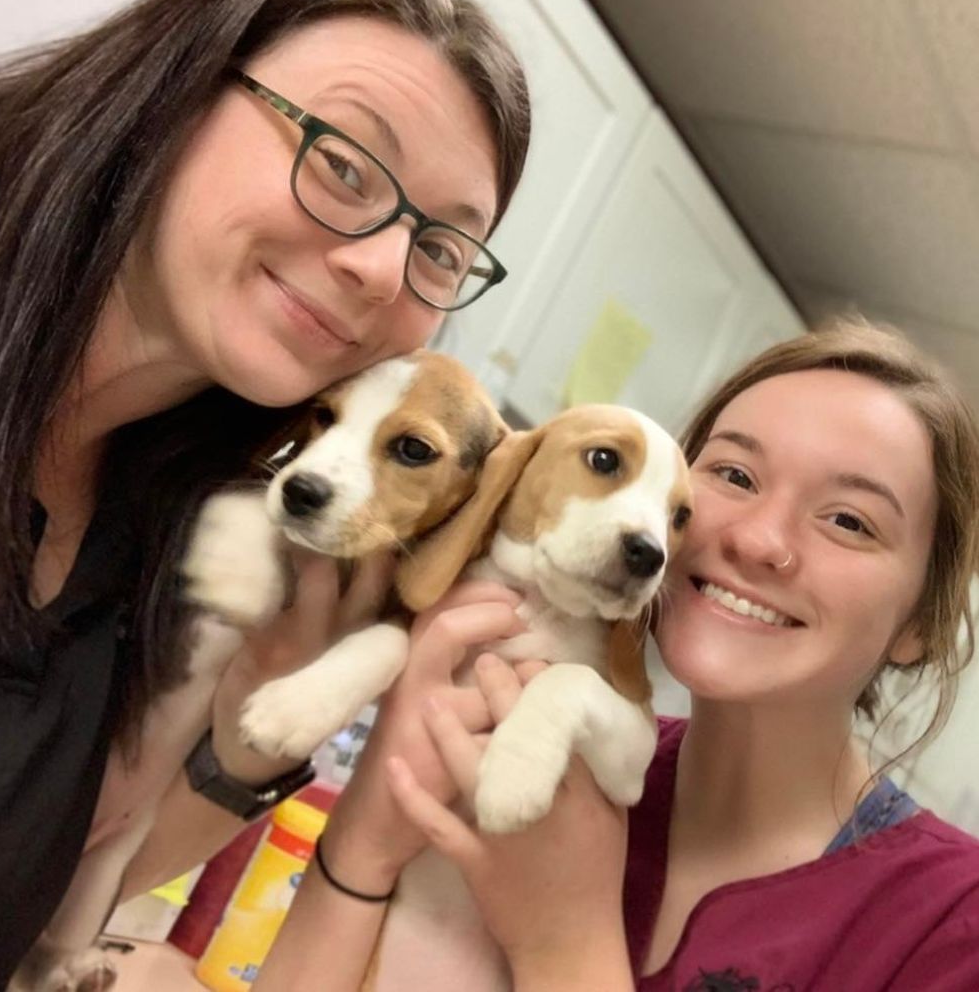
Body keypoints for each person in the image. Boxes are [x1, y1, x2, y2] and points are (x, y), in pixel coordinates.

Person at [0, 0, 531, 989]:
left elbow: (23, 885)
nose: (382, 268)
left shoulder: (163, 525)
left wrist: (270, 707)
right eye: (341, 162)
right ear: (179, 88)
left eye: (437, 248)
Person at [254, 318, 979, 992]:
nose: (758, 540)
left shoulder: (951, 923)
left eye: (849, 520)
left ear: (922, 623)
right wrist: (366, 843)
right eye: (733, 475)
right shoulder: (519, 713)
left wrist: (563, 943)